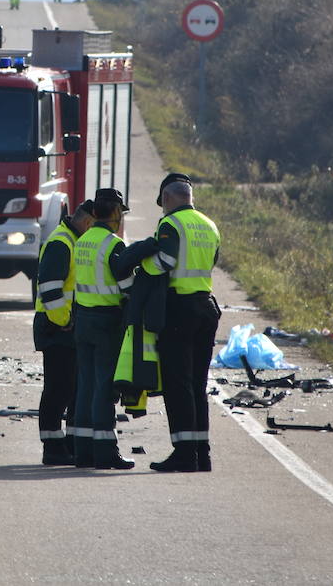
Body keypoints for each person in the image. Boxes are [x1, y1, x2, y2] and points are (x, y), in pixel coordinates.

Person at [70, 187, 158, 470]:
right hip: (106, 322)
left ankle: (82, 451)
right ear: (118, 214)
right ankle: (105, 451)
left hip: (82, 319)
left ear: (94, 213)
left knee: (84, 386)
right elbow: (126, 287)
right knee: (104, 387)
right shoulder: (112, 245)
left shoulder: (83, 240)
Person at [141, 173, 222, 473]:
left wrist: (141, 264)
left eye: (162, 202)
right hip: (206, 307)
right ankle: (202, 453)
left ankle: (184, 453)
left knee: (178, 384)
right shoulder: (209, 224)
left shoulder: (171, 224)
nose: (161, 208)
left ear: (169, 198)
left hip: (179, 310)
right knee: (198, 384)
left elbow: (165, 261)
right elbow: (212, 260)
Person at [34, 201, 93, 465]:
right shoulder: (62, 242)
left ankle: (67, 443)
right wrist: (64, 321)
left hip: (66, 325)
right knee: (58, 389)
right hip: (56, 325)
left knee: (71, 388)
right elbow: (49, 288)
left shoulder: (73, 239)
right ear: (88, 222)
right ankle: (52, 446)